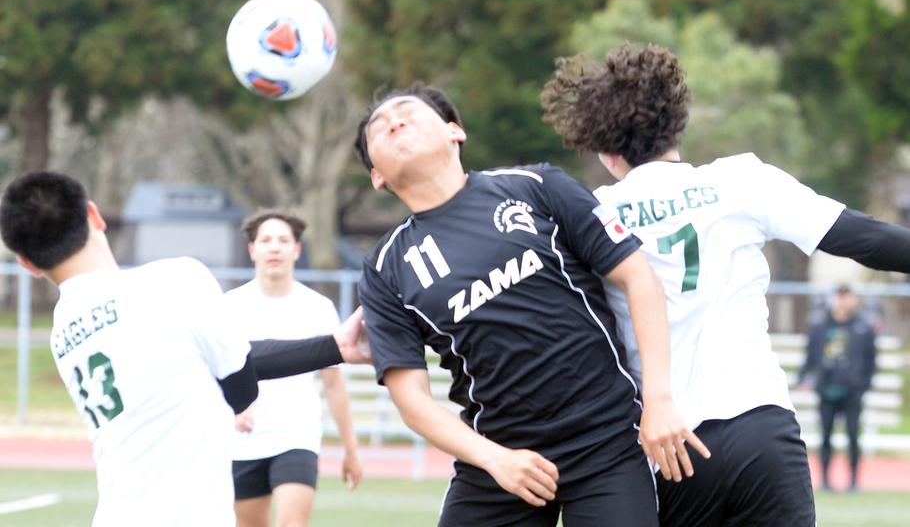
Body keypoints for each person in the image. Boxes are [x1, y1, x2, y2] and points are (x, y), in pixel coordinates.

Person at [540, 43, 910, 526]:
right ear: (679, 122)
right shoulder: (741, 179)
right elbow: (861, 237)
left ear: (607, 153)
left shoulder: (595, 215)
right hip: (761, 424)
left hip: (670, 447)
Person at [352, 84, 709, 527]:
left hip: (606, 440)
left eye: (407, 112)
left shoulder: (536, 186)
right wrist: (495, 459)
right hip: (498, 456)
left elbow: (638, 277)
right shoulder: (386, 268)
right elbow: (413, 401)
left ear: (455, 131)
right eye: (379, 130)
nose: (395, 123)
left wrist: (658, 400)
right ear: (377, 177)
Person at [0, 171, 370, 527]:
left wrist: (333, 346)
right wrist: (330, 349)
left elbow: (202, 363)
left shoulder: (62, 331)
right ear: (94, 215)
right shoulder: (176, 279)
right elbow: (241, 382)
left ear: (28, 264)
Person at [227, 209, 362, 527]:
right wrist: (235, 408)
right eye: (266, 240)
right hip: (244, 441)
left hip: (297, 435)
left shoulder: (317, 308)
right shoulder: (229, 307)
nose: (275, 247)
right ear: (252, 249)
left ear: (297, 250)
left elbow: (333, 384)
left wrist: (351, 448)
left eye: (284, 240)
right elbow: (219, 376)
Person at [799, 283, 877, 492]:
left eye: (847, 295)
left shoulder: (863, 326)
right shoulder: (820, 326)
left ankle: (853, 481)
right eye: (839, 295)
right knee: (825, 436)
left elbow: (871, 359)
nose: (843, 300)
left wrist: (863, 385)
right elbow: (810, 355)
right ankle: (825, 480)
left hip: (852, 391)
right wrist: (804, 378)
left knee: (853, 435)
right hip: (826, 389)